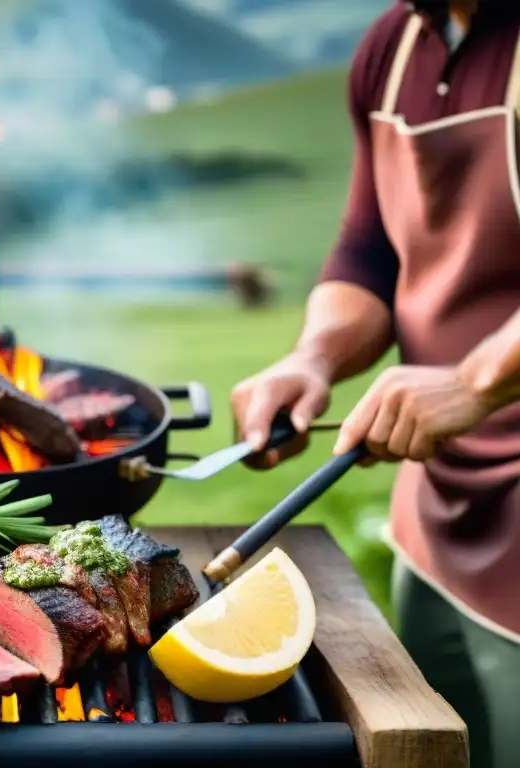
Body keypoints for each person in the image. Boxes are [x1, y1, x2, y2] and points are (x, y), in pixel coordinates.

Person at [229, 2, 520, 766]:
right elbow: (370, 255)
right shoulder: (393, 45)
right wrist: (312, 359)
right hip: (435, 518)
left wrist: (477, 382)